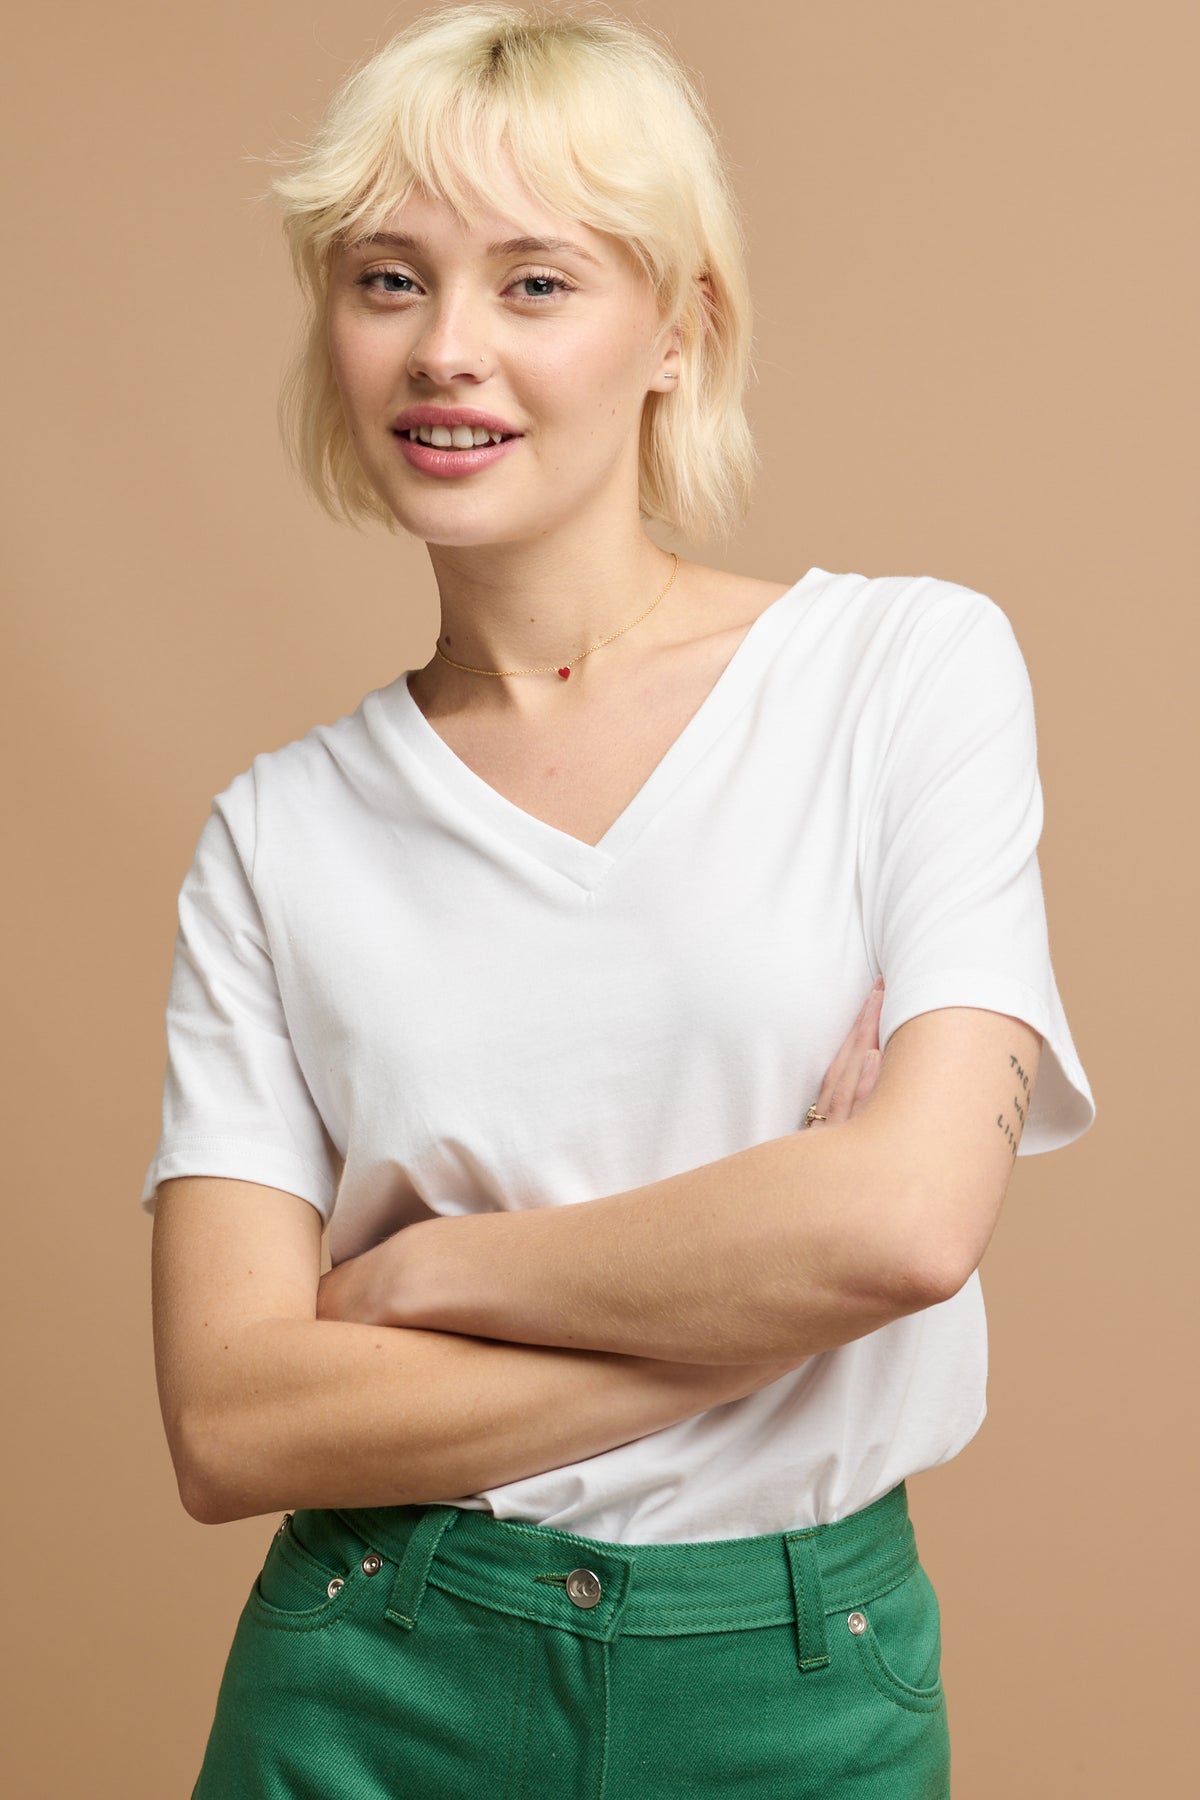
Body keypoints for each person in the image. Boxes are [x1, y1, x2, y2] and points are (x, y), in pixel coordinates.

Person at [141, 5, 1096, 1795]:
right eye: (388, 279)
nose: (448, 351)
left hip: (804, 1683)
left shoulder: (904, 672)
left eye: (536, 282)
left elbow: (903, 1227)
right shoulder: (276, 836)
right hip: (374, 1673)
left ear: (681, 329)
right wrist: (769, 1291)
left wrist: (423, 1279)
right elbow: (233, 1418)